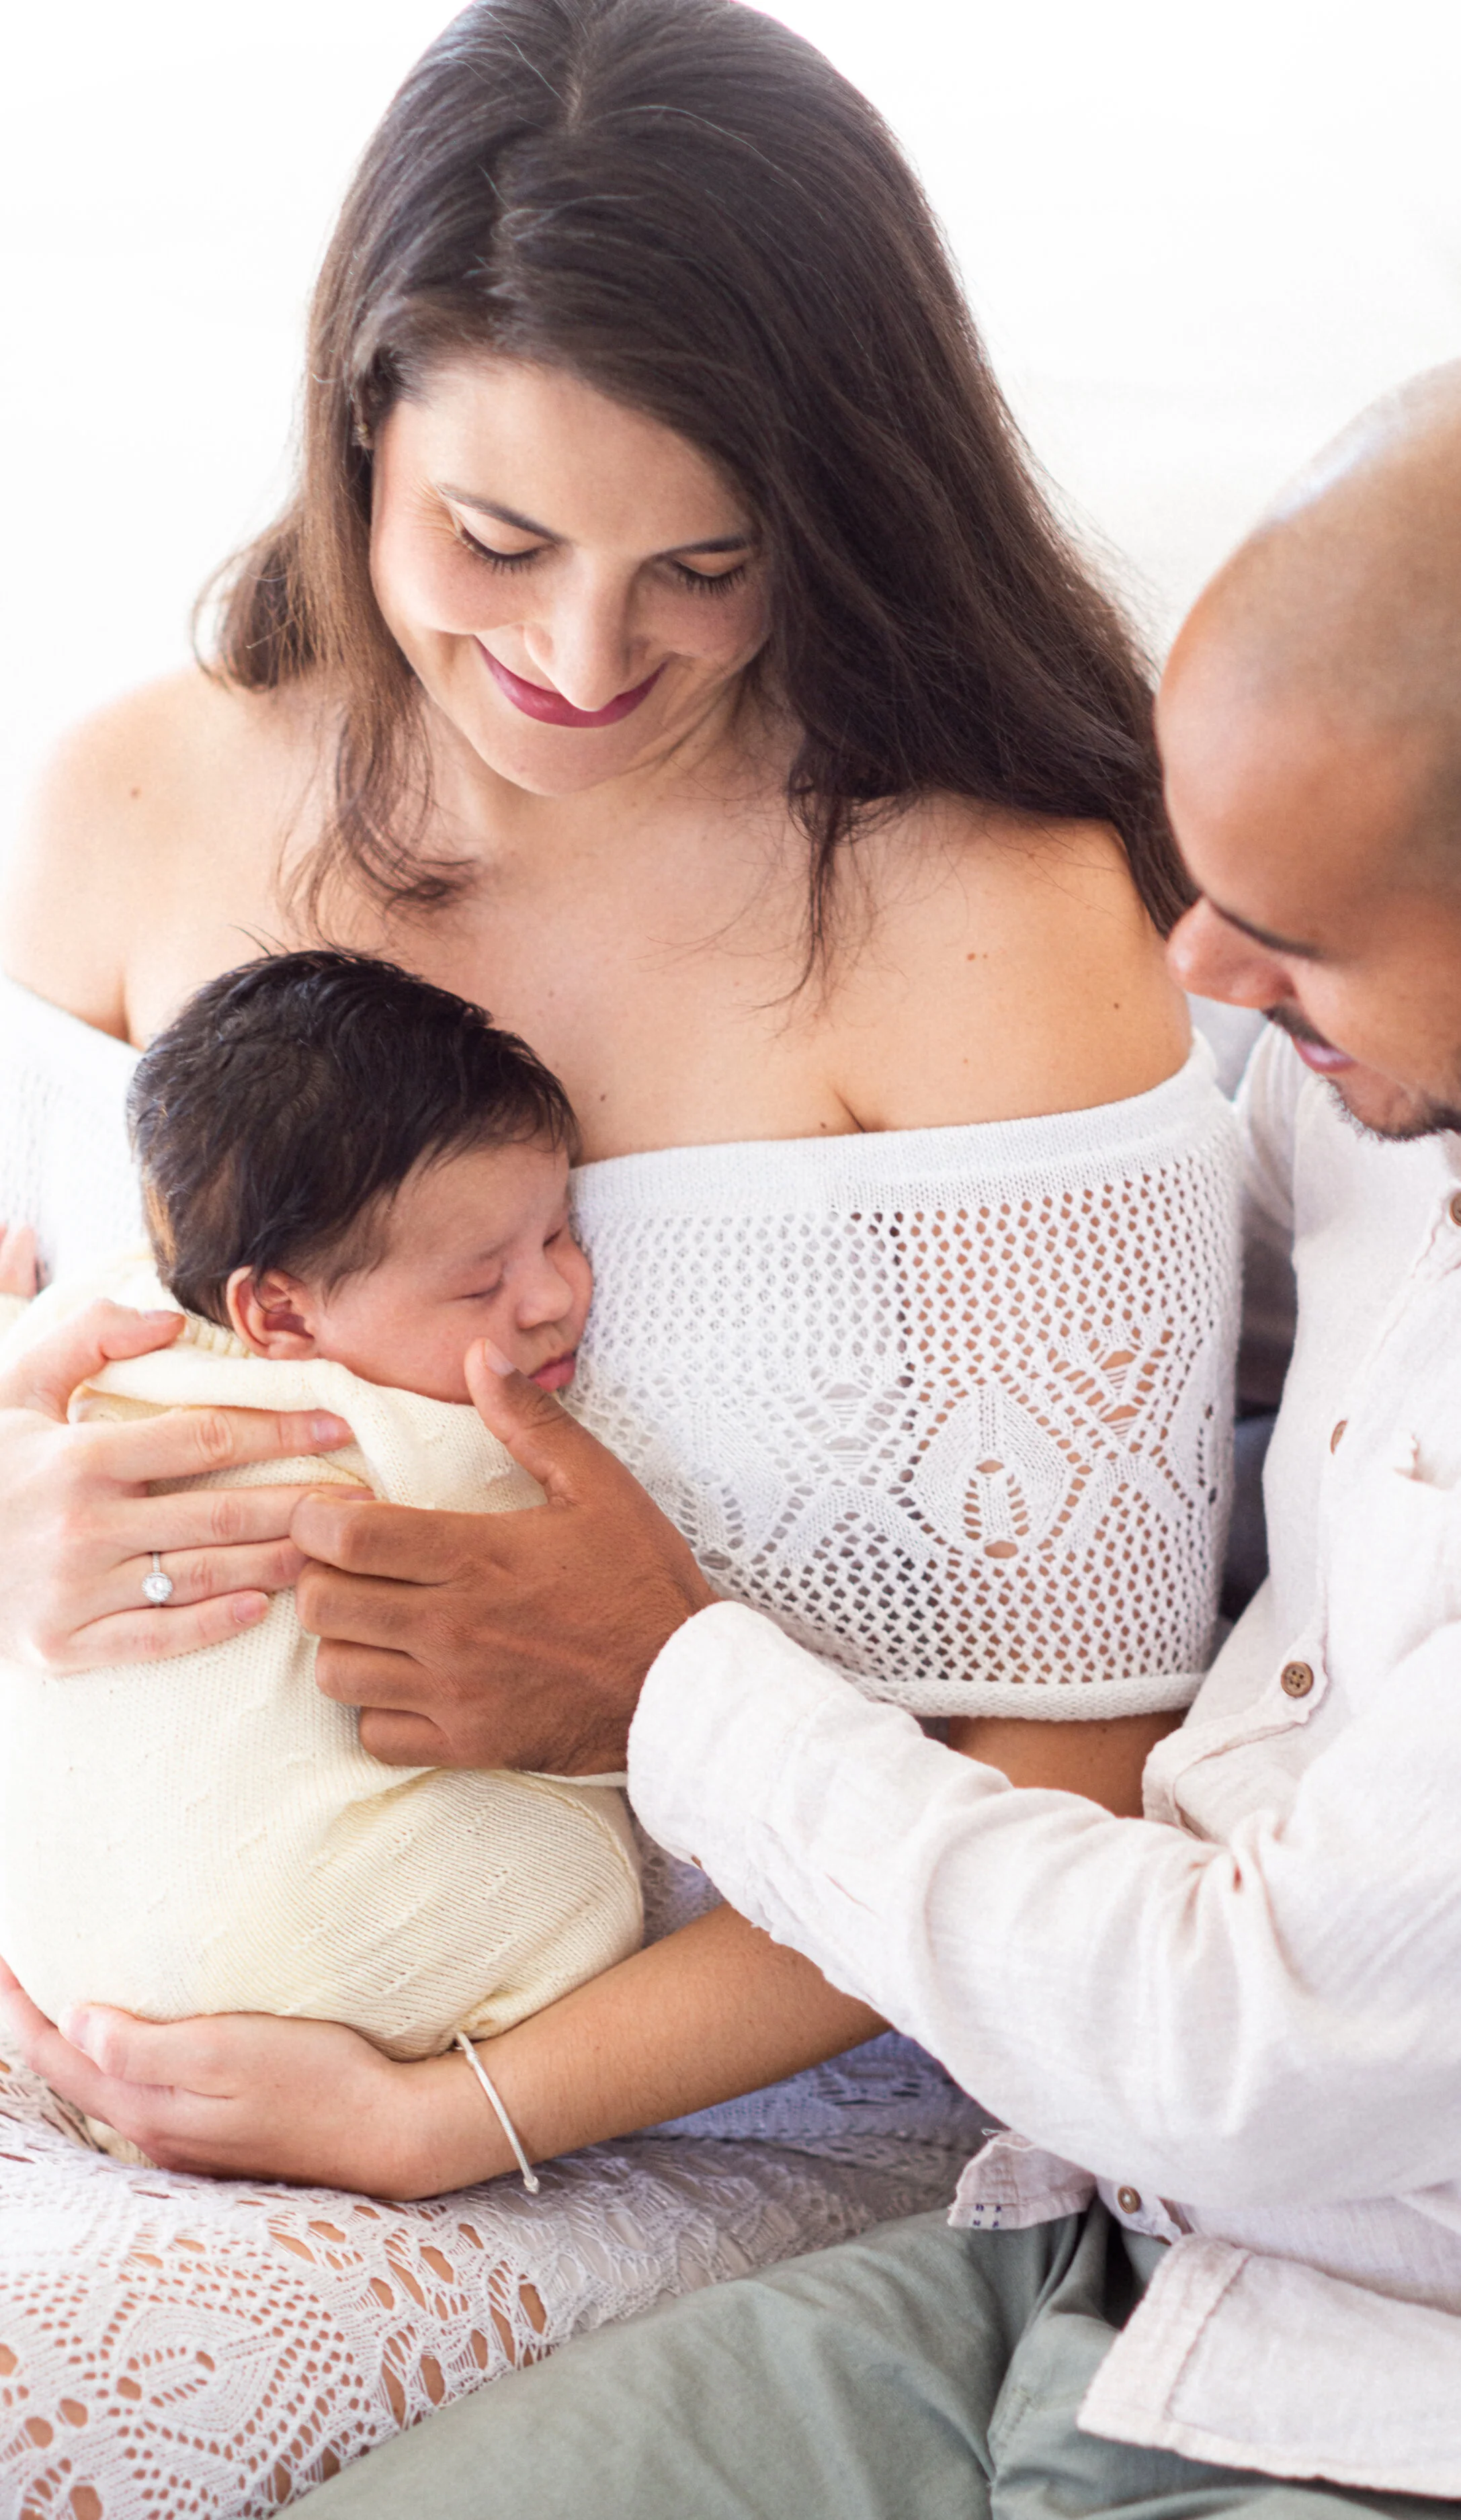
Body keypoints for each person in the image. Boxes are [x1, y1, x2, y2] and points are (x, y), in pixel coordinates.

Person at [59, 343, 1461, 2513]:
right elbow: (1087, 1302)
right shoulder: (1426, 1085)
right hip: (1082, 2249)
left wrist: (660, 1679)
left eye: (1290, 952)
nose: (1201, 973)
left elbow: (1236, 2046)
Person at [0, 0, 1239, 2508]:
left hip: (698, 2083)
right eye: (493, 542)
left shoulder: (984, 925)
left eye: (706, 562)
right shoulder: (141, 795)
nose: (581, 659)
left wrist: (430, 2115)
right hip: (108, 1951)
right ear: (357, 427)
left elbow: (1067, 1790)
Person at [0, 951, 651, 2091]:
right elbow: (588, 1604)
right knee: (592, 1878)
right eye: (480, 1279)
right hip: (317, 1966)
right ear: (281, 1311)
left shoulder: (100, 1321)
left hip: (63, 1956)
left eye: (557, 1231)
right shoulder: (437, 1438)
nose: (552, 1295)